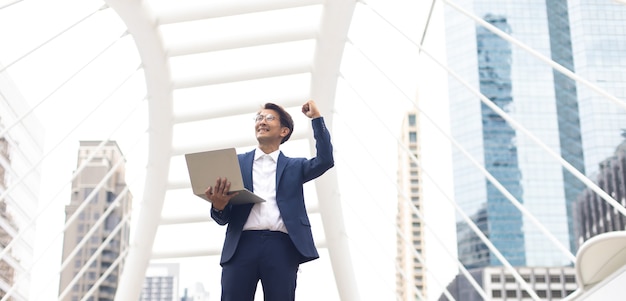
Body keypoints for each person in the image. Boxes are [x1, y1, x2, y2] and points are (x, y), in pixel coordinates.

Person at [204, 100, 334, 301]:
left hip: (281, 248)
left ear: (284, 131)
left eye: (269, 118)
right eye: (258, 118)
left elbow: (325, 160)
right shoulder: (234, 163)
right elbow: (222, 217)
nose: (261, 121)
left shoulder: (295, 167)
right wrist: (219, 206)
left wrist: (316, 119)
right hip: (241, 247)